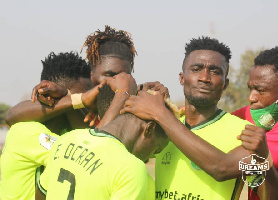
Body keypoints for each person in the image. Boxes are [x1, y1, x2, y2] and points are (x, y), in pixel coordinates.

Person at [121, 37, 278, 200]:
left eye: (215, 72)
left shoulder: (243, 133)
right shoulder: (160, 127)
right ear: (181, 78)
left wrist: (263, 162)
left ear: (225, 84)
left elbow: (271, 196)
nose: (205, 78)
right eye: (196, 69)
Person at [35, 88, 180, 200]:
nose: (151, 157)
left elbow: (41, 192)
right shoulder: (131, 168)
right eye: (157, 149)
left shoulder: (67, 139)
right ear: (149, 129)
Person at [0, 51, 93, 200]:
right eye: (82, 102)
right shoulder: (26, 132)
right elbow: (93, 152)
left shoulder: (66, 133)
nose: (87, 108)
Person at [5, 25, 138, 128]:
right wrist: (72, 97)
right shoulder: (80, 105)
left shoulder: (132, 110)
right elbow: (11, 116)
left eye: (126, 76)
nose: (121, 81)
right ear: (91, 75)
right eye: (110, 75)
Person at [231, 46, 278, 200]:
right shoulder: (259, 114)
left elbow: (225, 166)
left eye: (260, 90)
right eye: (250, 89)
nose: (251, 97)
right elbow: (219, 123)